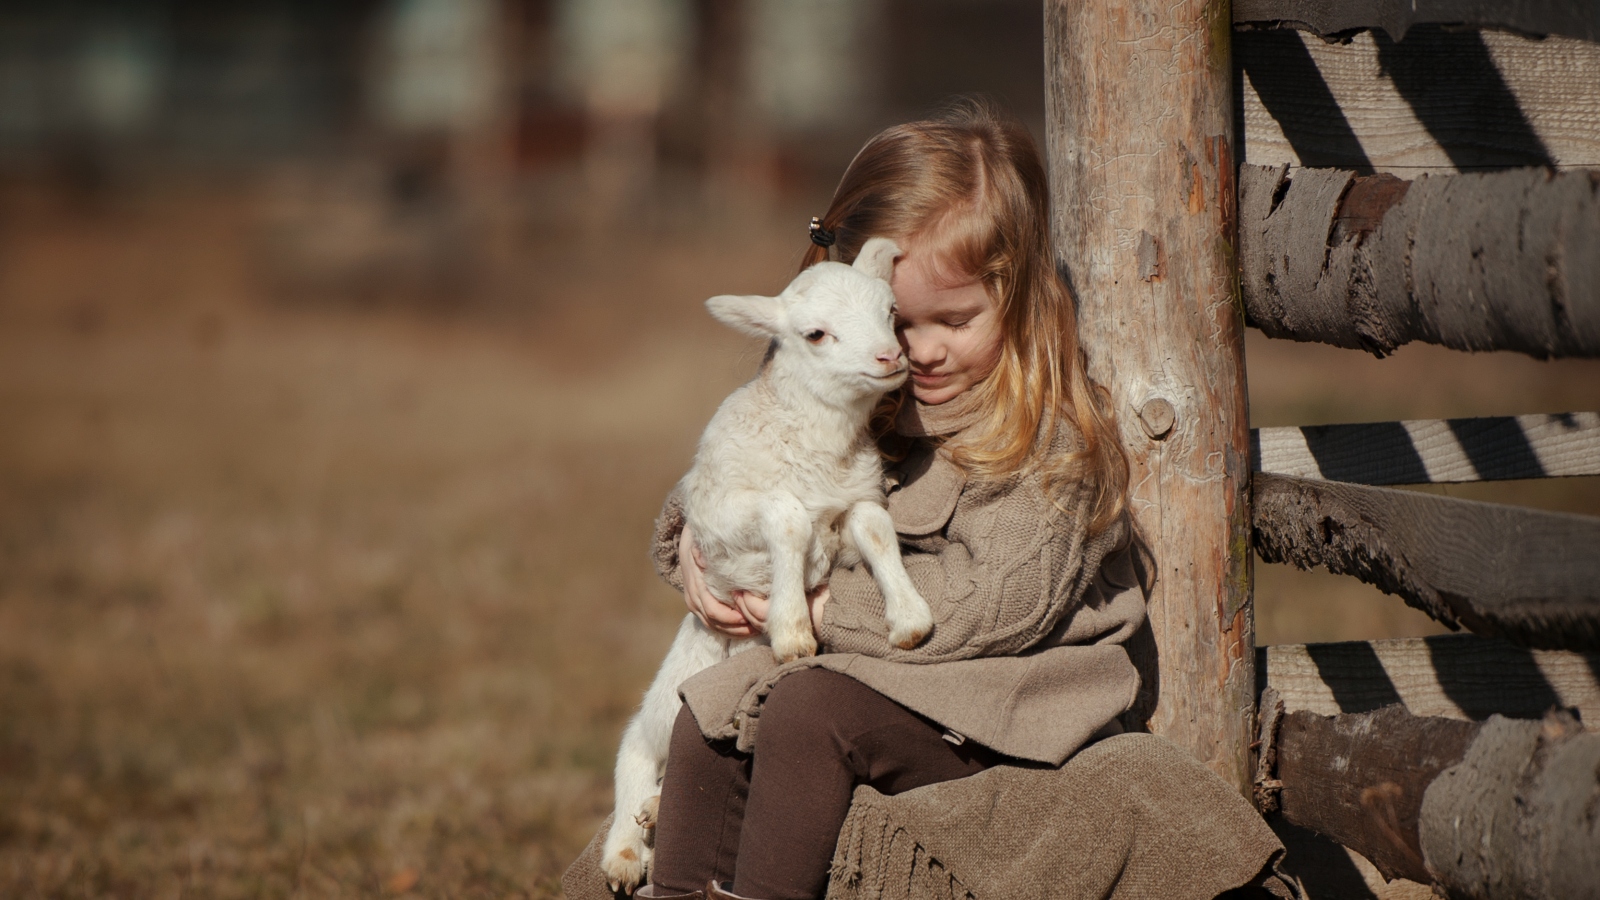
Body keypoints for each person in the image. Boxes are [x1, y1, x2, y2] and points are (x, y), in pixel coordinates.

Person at [564, 99, 1292, 900]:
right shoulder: (860, 398)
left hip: (1004, 712)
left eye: (955, 319)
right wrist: (700, 549)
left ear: (1015, 300)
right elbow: (741, 463)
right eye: (900, 322)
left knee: (807, 710)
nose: (916, 350)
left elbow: (988, 609)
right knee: (711, 708)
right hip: (886, 693)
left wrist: (808, 597)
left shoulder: (1047, 446)